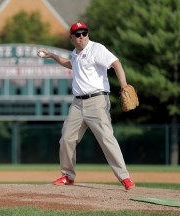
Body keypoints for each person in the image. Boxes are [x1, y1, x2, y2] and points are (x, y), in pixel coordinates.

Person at [37, 22, 135, 190]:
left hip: (97, 101)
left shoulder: (97, 49)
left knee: (106, 139)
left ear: (87, 34)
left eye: (84, 33)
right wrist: (52, 55)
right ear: (72, 38)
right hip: (77, 104)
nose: (81, 36)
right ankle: (67, 175)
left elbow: (116, 63)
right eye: (77, 34)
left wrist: (124, 85)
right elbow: (70, 63)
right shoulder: (75, 53)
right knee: (67, 139)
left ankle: (125, 178)